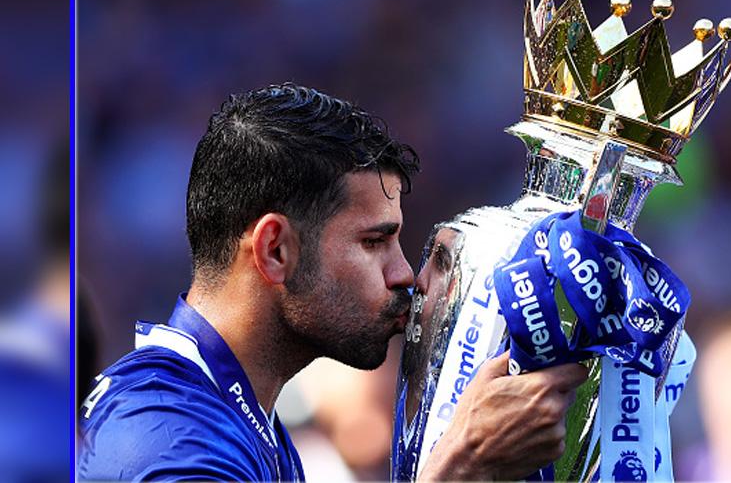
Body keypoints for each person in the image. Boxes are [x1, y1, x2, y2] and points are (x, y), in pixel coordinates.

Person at [78, 83, 587, 481]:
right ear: (275, 250)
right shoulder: (167, 434)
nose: (403, 273)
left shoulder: (243, 424)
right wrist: (461, 467)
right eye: (374, 242)